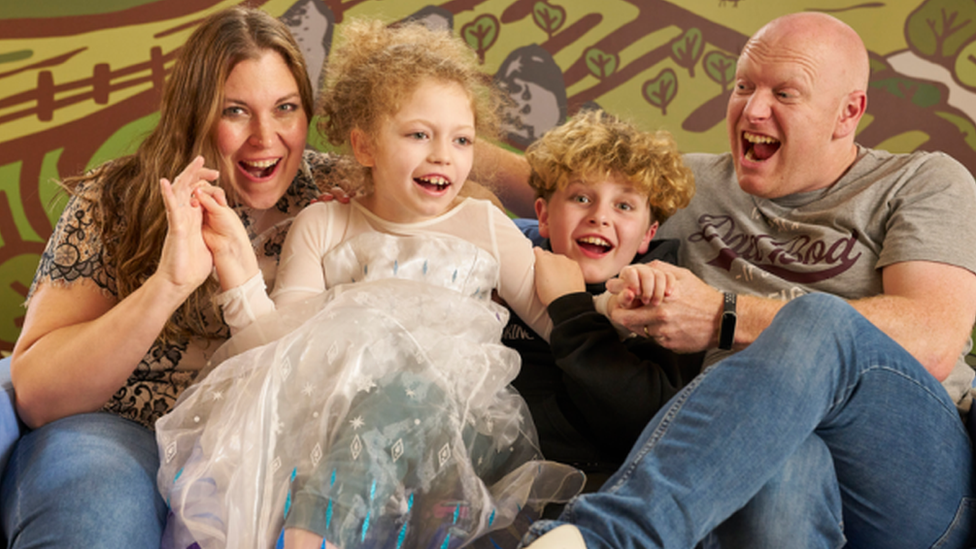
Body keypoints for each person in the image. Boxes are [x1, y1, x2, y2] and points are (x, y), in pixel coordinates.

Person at [512, 11, 976, 549]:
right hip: (746, 450)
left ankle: (606, 538)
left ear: (847, 113)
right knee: (778, 463)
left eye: (785, 93)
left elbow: (934, 337)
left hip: (911, 474)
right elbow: (563, 185)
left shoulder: (921, 181)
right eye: (743, 86)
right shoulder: (690, 184)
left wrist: (721, 316)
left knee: (819, 319)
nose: (753, 109)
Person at [154, 19, 581, 549]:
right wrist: (240, 272)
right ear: (364, 145)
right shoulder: (325, 226)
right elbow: (280, 359)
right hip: (337, 433)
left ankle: (310, 537)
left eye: (462, 139)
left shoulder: (484, 228)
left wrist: (599, 301)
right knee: (352, 403)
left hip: (460, 427)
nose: (444, 155)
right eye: (418, 135)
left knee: (409, 387)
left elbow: (567, 329)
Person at [501, 109, 699, 488]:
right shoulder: (507, 264)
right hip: (482, 477)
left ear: (647, 234)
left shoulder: (664, 299)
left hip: (595, 495)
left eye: (623, 206)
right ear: (542, 215)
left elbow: (644, 429)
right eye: (581, 197)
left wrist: (570, 306)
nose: (600, 217)